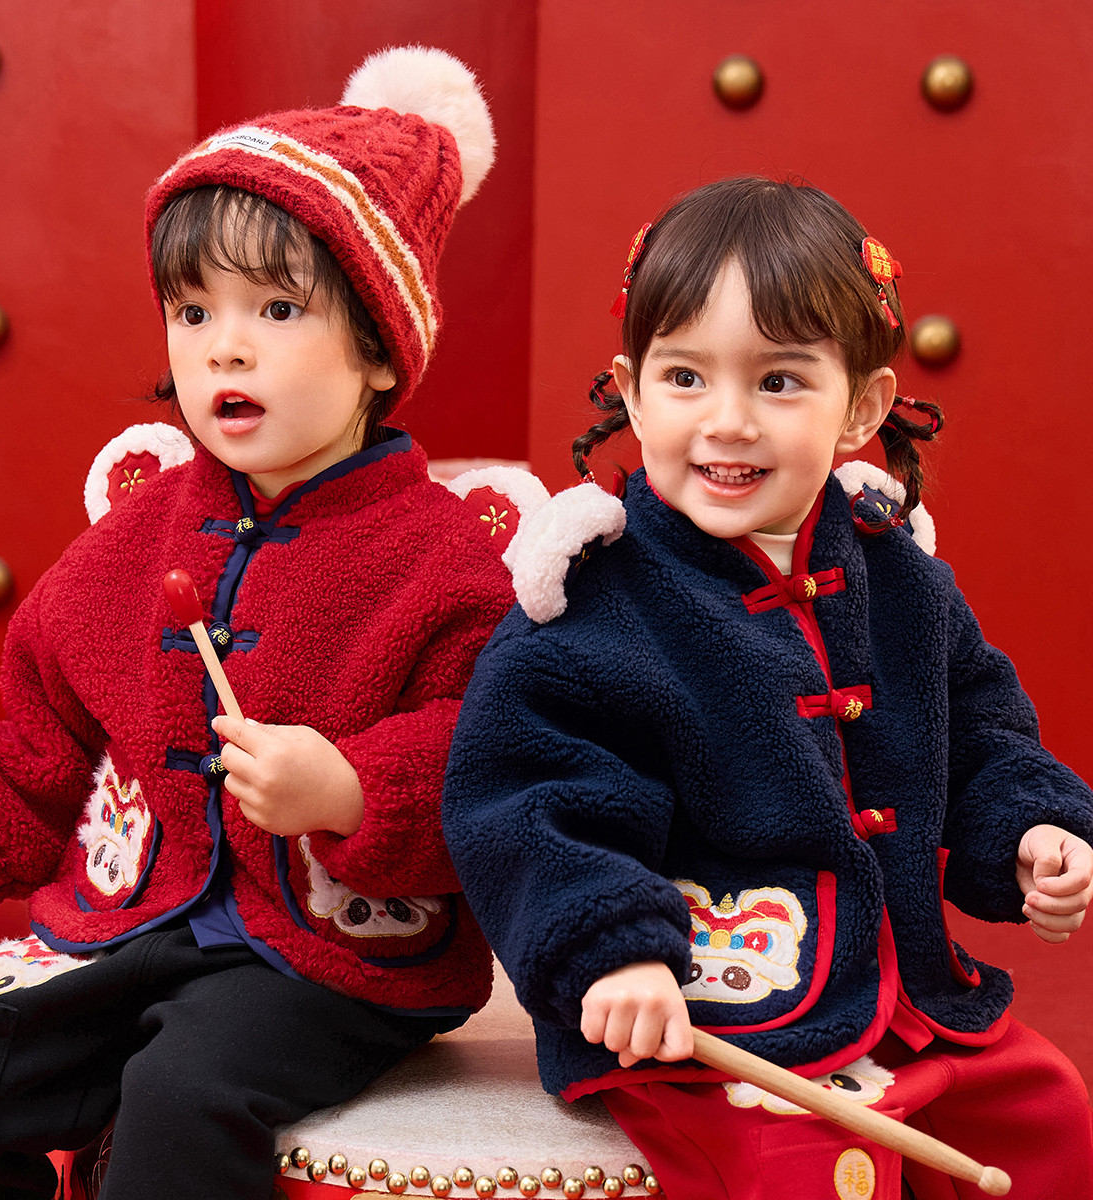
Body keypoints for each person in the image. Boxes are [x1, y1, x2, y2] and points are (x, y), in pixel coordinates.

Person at [0, 46, 512, 1200]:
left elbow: (486, 759)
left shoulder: (439, 560)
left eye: (276, 309)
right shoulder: (136, 539)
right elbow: (40, 734)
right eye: (194, 310)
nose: (223, 344)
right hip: (136, 920)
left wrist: (351, 790)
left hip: (331, 958)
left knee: (182, 1095)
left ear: (381, 349)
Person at [441, 176, 1093, 1199]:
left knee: (1049, 1118)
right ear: (632, 387)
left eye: (780, 382)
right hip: (703, 1013)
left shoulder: (900, 577)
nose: (728, 422)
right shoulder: (593, 602)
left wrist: (1029, 831)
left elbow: (979, 728)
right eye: (687, 378)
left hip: (906, 991)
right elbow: (525, 797)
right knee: (810, 1168)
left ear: (862, 408)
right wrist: (612, 953)